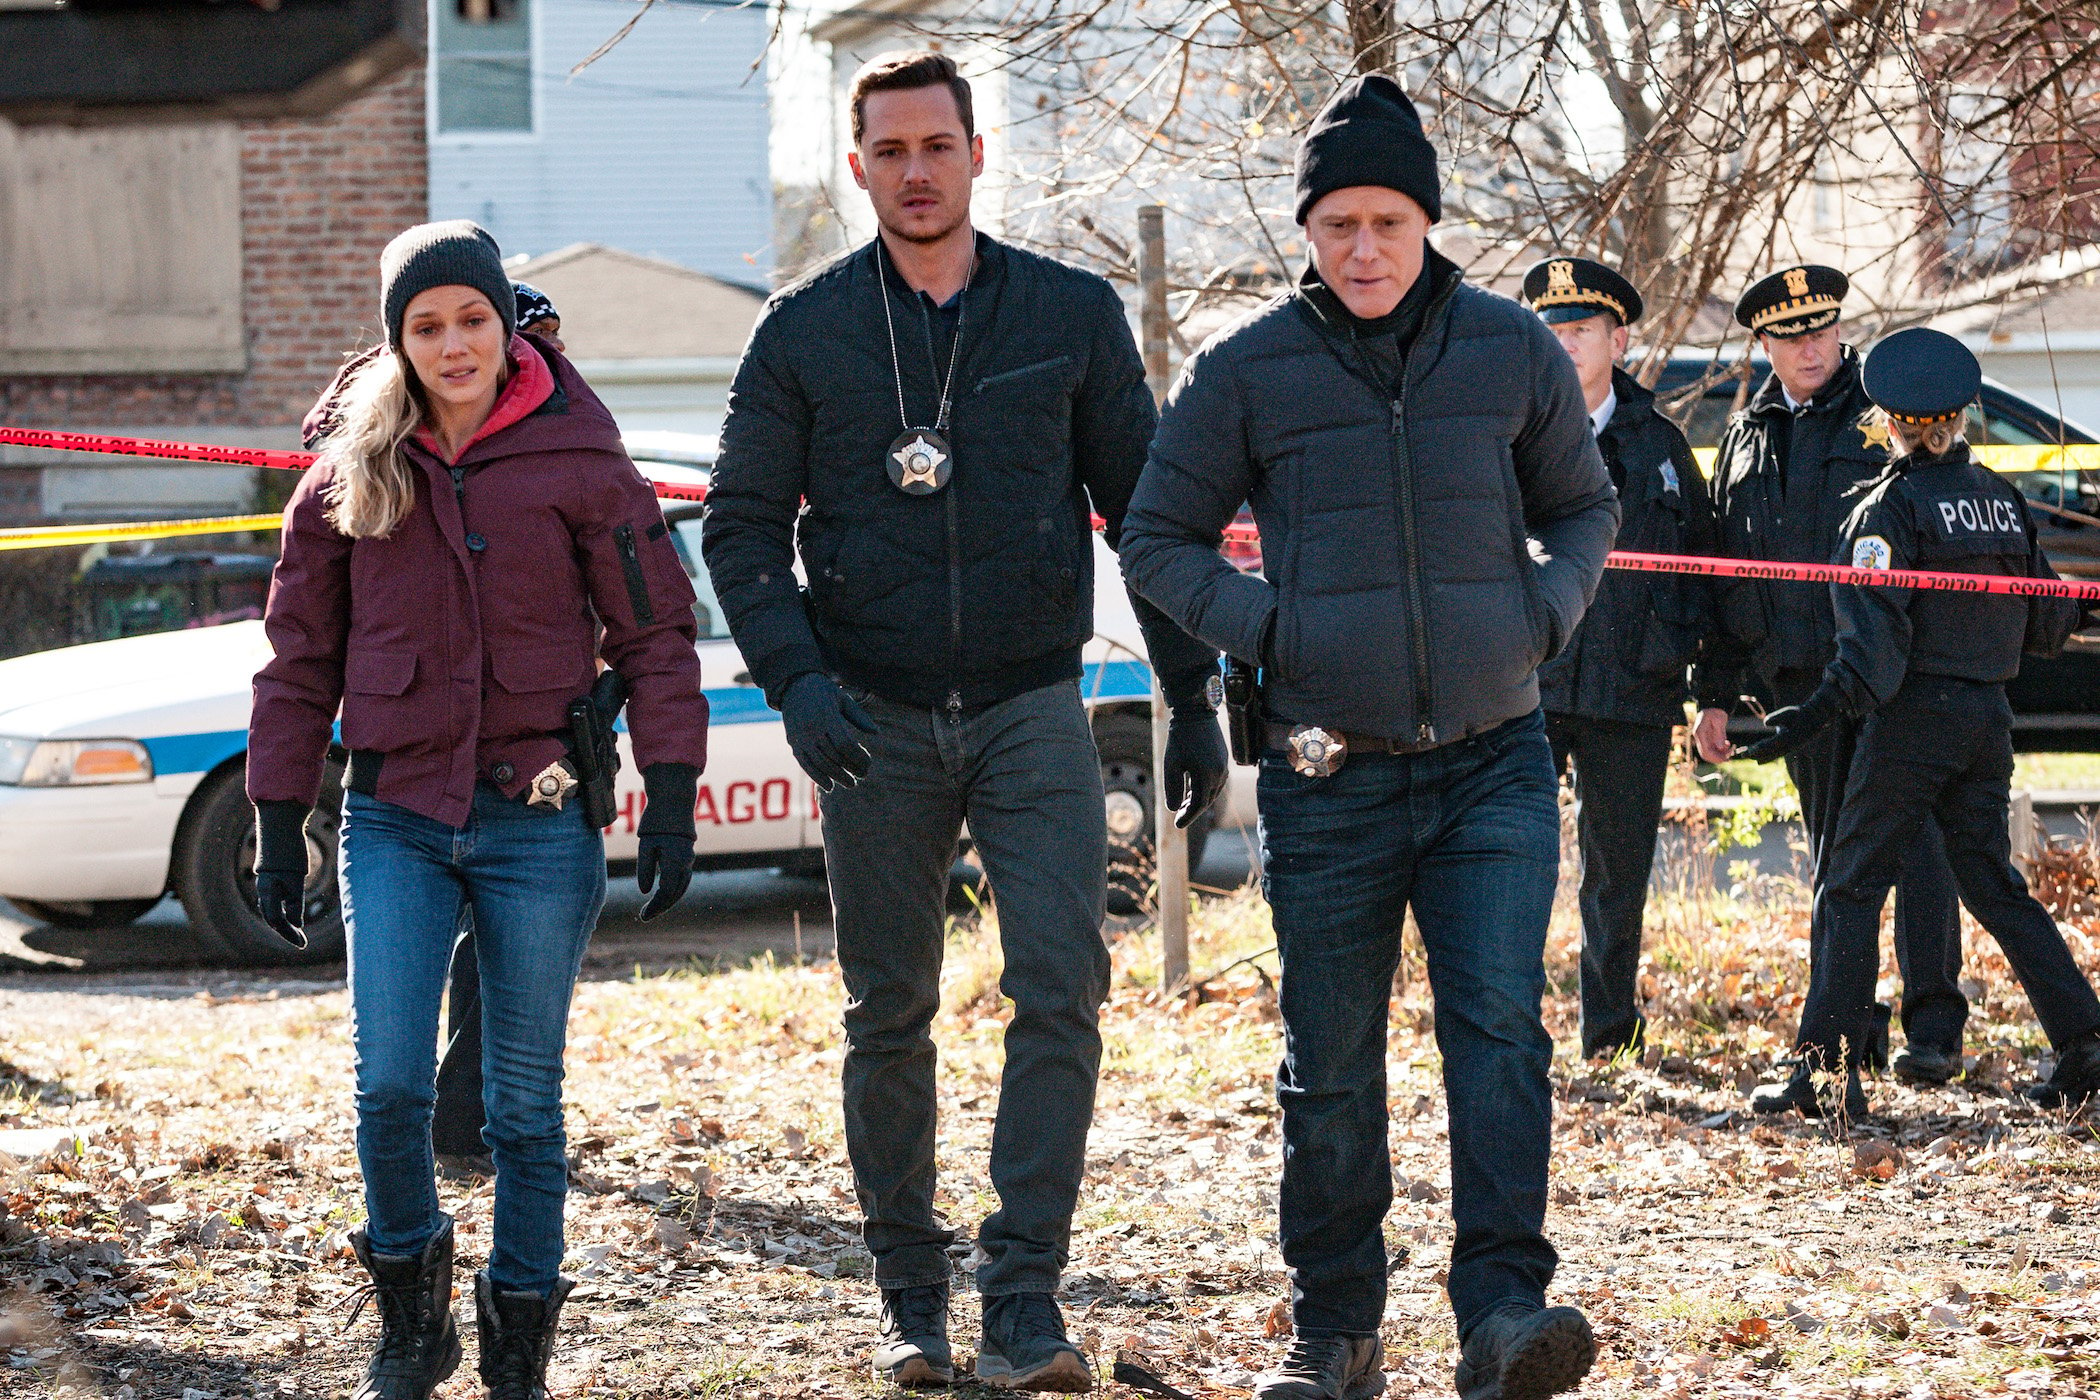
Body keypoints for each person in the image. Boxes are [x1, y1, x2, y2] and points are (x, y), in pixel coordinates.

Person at [700, 51, 1225, 1393]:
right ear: (857, 165)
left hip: (1031, 707)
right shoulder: (805, 331)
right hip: (867, 718)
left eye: (939, 145)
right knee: (888, 1007)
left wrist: (1194, 700)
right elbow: (743, 530)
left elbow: (1149, 517)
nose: (917, 170)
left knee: (1062, 985)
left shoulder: (1066, 313)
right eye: (891, 150)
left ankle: (1027, 1298)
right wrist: (798, 683)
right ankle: (910, 1299)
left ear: (978, 155)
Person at [1120, 74, 1619, 1400]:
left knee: (1498, 1034)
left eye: (1387, 220)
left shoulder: (1511, 350)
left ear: (1426, 222)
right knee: (1330, 1067)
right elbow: (1154, 537)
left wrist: (1542, 615)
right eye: (1336, 222)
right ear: (1307, 231)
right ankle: (1336, 1328)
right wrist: (1271, 632)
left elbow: (1585, 508)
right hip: (1324, 780)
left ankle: (1505, 1313)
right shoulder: (1246, 372)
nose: (1362, 248)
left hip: (1493, 765)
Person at [249, 221, 708, 1400]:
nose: (453, 344)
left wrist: (667, 792)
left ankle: (516, 1348)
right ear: (396, 342)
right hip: (395, 813)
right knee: (390, 1086)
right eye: (425, 325)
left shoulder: (583, 461)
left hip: (537, 819)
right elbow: (298, 658)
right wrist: (275, 811)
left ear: (507, 324)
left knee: (522, 1106)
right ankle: (412, 1322)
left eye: (471, 319)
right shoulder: (349, 472)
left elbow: (656, 634)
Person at [1736, 327, 2100, 1117]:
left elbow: (1872, 656)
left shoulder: (1884, 511)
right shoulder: (2003, 502)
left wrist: (1811, 716)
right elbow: (2044, 623)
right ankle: (2086, 1041)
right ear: (1963, 416)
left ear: (1887, 421)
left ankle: (1826, 1072)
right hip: (1988, 723)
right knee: (1995, 887)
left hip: (1912, 724)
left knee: (1849, 883)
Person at [1695, 266, 1968, 1086]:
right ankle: (1853, 1028)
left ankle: (1934, 1031)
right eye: (1789, 334)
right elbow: (1724, 571)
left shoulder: (1889, 414)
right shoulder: (1746, 434)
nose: (1808, 346)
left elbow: (1939, 532)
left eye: (1820, 328)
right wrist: (1714, 688)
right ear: (1764, 343)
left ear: (1838, 329)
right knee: (1834, 863)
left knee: (1916, 852)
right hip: (1800, 682)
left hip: (1894, 674)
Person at [1522, 255, 1717, 1061]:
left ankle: (1608, 1034)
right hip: (1523, 683)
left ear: (1618, 338)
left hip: (1634, 689)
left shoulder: (1663, 445)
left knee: (1618, 873)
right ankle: (1508, 1030)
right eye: (1550, 331)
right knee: (1511, 867)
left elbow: (1706, 572)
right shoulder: (1503, 433)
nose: (1563, 345)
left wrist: (1709, 685)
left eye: (1579, 331)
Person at [429, 282, 575, 1178]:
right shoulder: (456, 438)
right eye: (541, 341)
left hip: (546, 727)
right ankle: (465, 1120)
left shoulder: (563, 429)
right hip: (474, 735)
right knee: (494, 946)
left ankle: (475, 1119)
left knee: (499, 947)